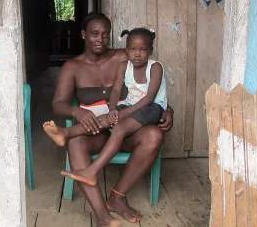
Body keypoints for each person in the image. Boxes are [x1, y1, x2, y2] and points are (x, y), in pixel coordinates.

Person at [49, 12, 174, 226]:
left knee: (154, 135)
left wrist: (168, 109)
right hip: (94, 132)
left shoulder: (125, 56)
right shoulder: (73, 67)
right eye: (94, 34)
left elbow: (147, 90)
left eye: (105, 35)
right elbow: (58, 104)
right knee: (75, 141)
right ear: (83, 35)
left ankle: (117, 197)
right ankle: (102, 216)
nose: (100, 39)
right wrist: (77, 112)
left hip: (126, 128)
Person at [44, 28, 167, 188]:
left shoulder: (155, 67)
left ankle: (92, 171)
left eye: (142, 50)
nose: (137, 54)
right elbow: (115, 90)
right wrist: (114, 109)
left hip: (152, 108)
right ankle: (65, 133)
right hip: (131, 106)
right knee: (106, 120)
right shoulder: (124, 66)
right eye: (132, 49)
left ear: (150, 50)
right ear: (126, 49)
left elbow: (149, 98)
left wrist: (124, 113)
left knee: (119, 128)